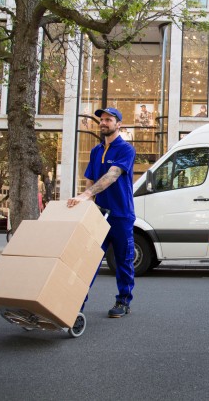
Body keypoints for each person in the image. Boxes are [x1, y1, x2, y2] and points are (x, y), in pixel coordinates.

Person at [67, 107, 136, 318]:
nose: (104, 123)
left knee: (123, 260)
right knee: (89, 261)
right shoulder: (96, 151)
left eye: (109, 119)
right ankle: (76, 304)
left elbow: (111, 176)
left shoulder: (126, 149)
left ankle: (123, 301)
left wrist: (85, 195)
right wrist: (86, 201)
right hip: (98, 215)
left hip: (121, 215)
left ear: (118, 124)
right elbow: (91, 178)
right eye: (102, 120)